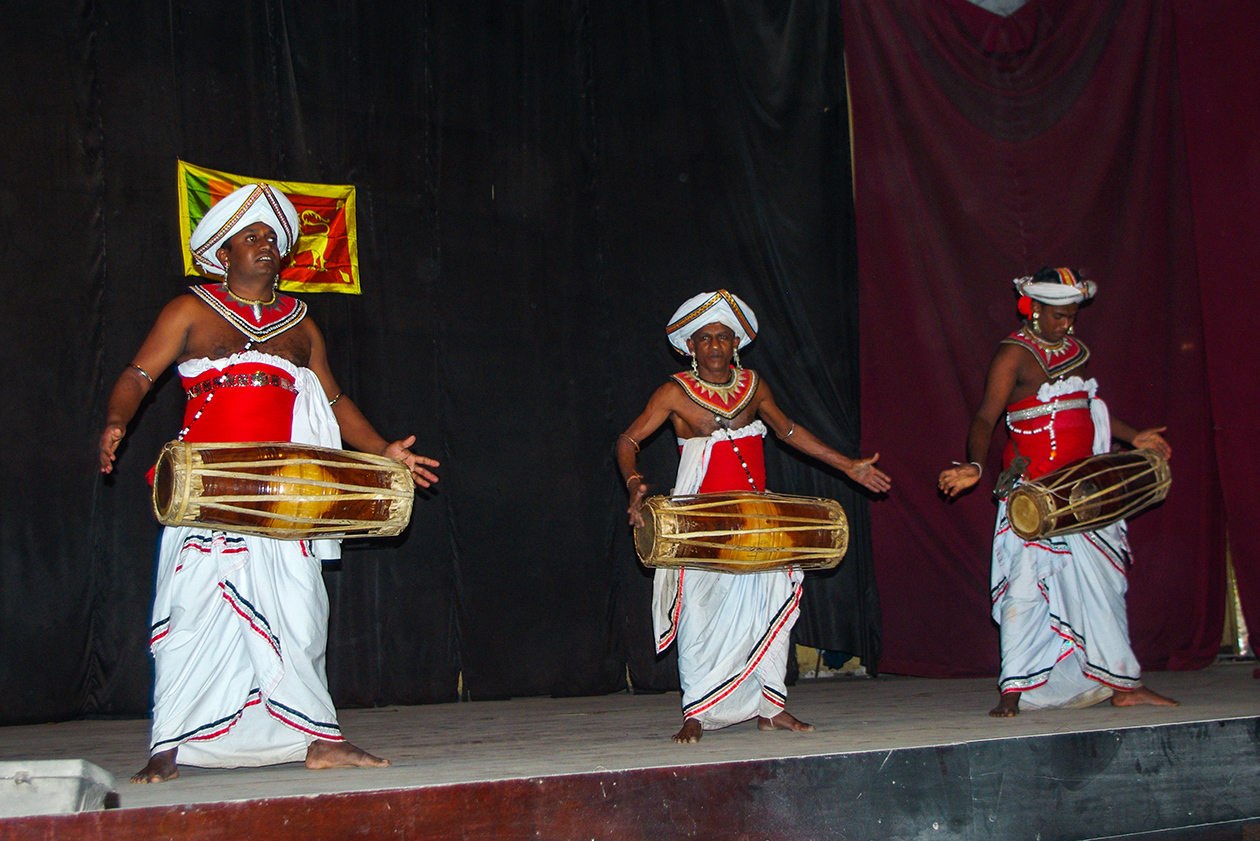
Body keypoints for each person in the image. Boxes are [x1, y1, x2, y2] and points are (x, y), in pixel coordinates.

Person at [98, 183, 440, 782]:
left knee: (300, 610)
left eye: (272, 239)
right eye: (250, 237)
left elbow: (334, 400)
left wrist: (384, 450)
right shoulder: (190, 311)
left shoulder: (302, 327)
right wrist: (116, 421)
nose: (265, 246)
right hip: (211, 490)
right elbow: (136, 374)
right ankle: (170, 744)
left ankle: (317, 739)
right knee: (194, 614)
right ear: (222, 253)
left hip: (282, 492)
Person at [617, 290, 891, 743]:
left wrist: (847, 465)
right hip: (705, 526)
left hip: (761, 521)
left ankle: (771, 707)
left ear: (735, 344)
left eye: (723, 337)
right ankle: (697, 712)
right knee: (702, 619)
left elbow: (787, 431)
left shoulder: (755, 386)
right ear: (691, 347)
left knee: (770, 609)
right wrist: (632, 483)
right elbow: (627, 441)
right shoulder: (674, 393)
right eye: (705, 339)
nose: (715, 347)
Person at [938, 268, 1177, 717]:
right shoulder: (1013, 355)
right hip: (1035, 496)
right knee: (1026, 590)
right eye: (1058, 316)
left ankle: (1124, 685)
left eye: (1071, 316)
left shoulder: (1073, 351)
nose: (1066, 324)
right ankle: (1014, 690)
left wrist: (1132, 437)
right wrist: (973, 464)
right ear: (1034, 309)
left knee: (1104, 589)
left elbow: (1088, 405)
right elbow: (986, 418)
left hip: (1084, 492)